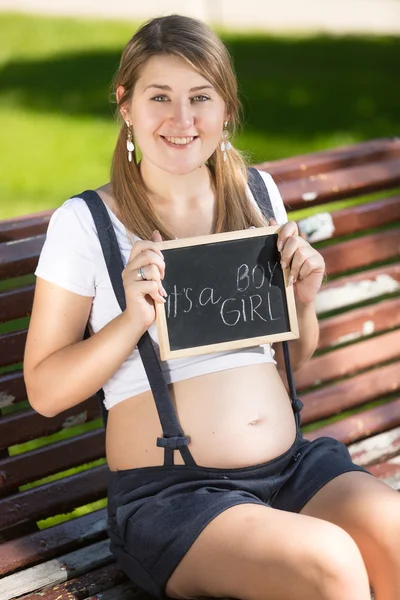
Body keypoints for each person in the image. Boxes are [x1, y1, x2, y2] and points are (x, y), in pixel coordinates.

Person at [24, 14, 400, 600]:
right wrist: (131, 322)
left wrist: (302, 299)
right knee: (330, 564)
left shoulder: (256, 193)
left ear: (226, 108)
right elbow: (45, 391)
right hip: (174, 497)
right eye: (160, 97)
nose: (182, 119)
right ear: (126, 104)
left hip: (291, 467)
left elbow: (290, 355)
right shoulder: (86, 224)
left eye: (201, 97)